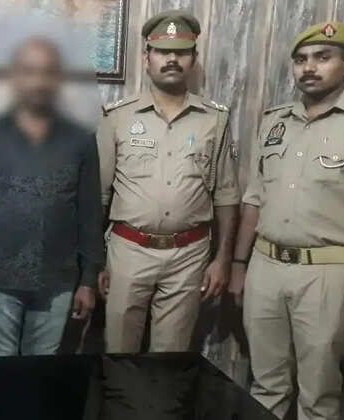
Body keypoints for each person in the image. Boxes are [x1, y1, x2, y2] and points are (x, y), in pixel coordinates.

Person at [230, 22, 344, 420]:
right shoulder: (274, 121)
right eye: (301, 60)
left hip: (329, 274)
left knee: (319, 396)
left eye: (322, 57)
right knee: (265, 385)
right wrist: (239, 266)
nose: (309, 68)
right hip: (265, 267)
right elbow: (255, 198)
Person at [96, 10, 240, 353]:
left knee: (171, 358)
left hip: (188, 255)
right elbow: (99, 195)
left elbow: (226, 196)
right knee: (118, 353)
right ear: (146, 58)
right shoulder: (118, 116)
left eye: (181, 52)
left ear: (194, 59)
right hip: (127, 250)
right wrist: (94, 263)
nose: (172, 59)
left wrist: (223, 260)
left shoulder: (214, 119)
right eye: (162, 51)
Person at [0, 37, 104, 356]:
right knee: (0, 371)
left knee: (42, 371)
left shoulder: (81, 137)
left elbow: (91, 213)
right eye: (29, 71)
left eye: (47, 72)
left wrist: (88, 280)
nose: (38, 81)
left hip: (59, 279)